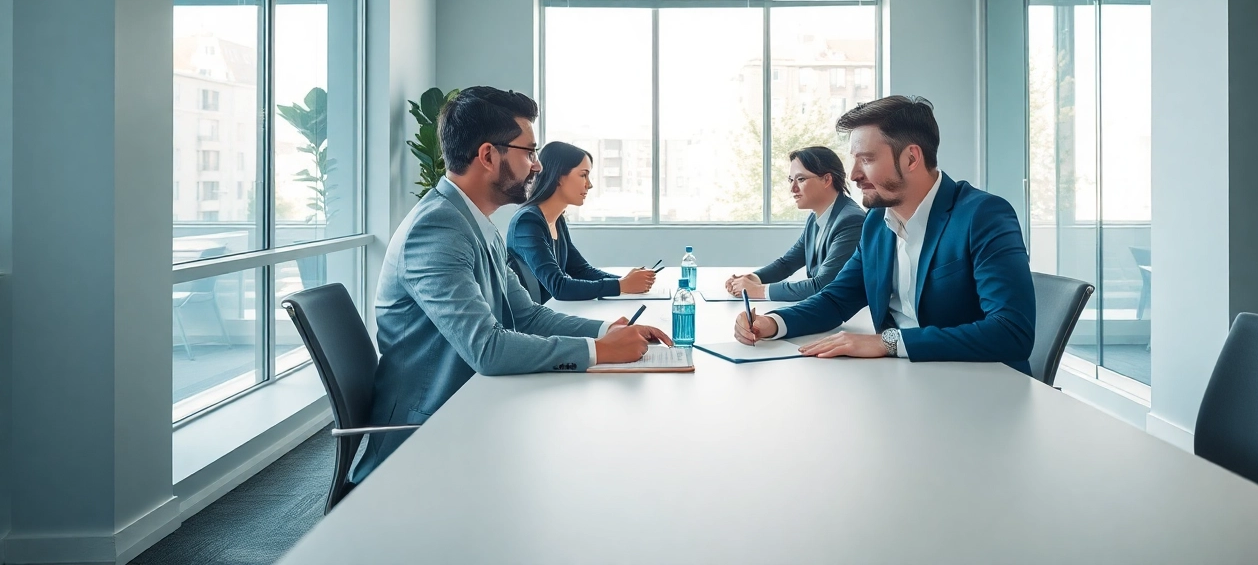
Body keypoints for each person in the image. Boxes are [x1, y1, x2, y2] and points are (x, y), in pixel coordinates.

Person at [352, 87, 670, 483]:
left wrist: (608, 331)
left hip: (477, 408)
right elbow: (487, 348)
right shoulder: (435, 230)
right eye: (529, 152)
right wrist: (599, 350)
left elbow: (526, 315)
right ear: (488, 156)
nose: (537, 167)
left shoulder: (474, 222)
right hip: (429, 435)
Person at [733, 95, 1035, 374]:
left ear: (911, 159)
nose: (852, 175)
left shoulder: (983, 216)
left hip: (979, 386)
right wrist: (772, 322)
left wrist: (888, 341)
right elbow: (837, 299)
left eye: (866, 159)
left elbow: (1010, 331)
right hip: (902, 378)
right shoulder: (877, 221)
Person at [508, 142, 657, 303]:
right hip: (529, 324)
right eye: (583, 175)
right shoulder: (528, 222)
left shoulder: (557, 220)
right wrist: (622, 285)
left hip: (550, 313)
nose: (589, 184)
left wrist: (628, 282)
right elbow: (559, 287)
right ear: (559, 177)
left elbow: (581, 271)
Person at [724, 146, 863, 302]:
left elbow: (823, 285)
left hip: (852, 319)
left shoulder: (851, 221)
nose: (792, 188)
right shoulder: (816, 217)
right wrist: (753, 278)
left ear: (827, 180)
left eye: (801, 179)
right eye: (791, 180)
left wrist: (757, 290)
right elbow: (787, 263)